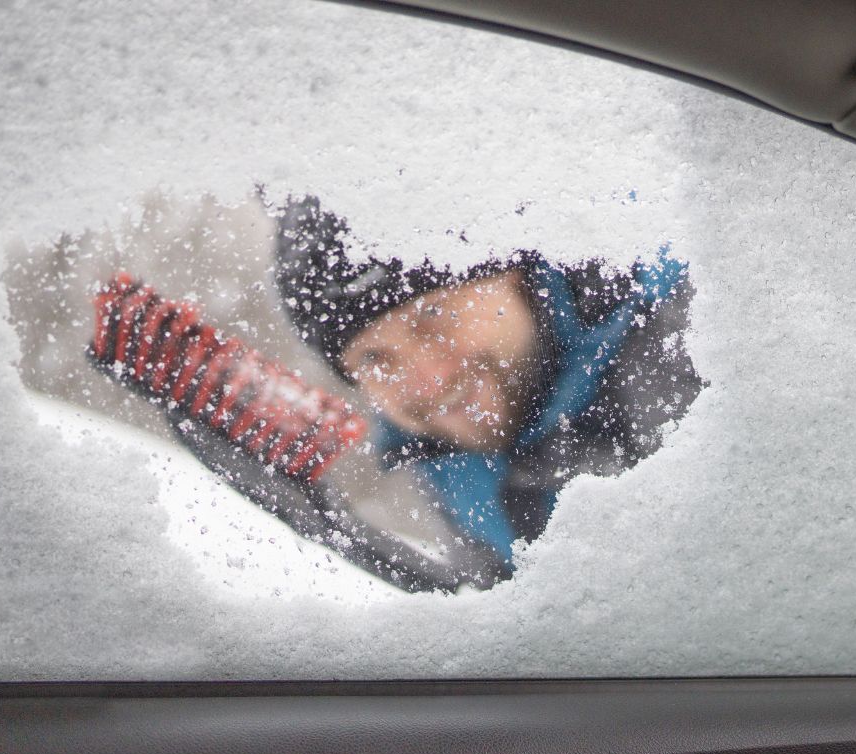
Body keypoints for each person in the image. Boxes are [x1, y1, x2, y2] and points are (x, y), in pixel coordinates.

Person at [274, 196, 704, 567]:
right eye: (373, 357)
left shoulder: (695, 344)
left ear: (517, 275)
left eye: (433, 313)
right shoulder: (441, 457)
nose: (430, 381)